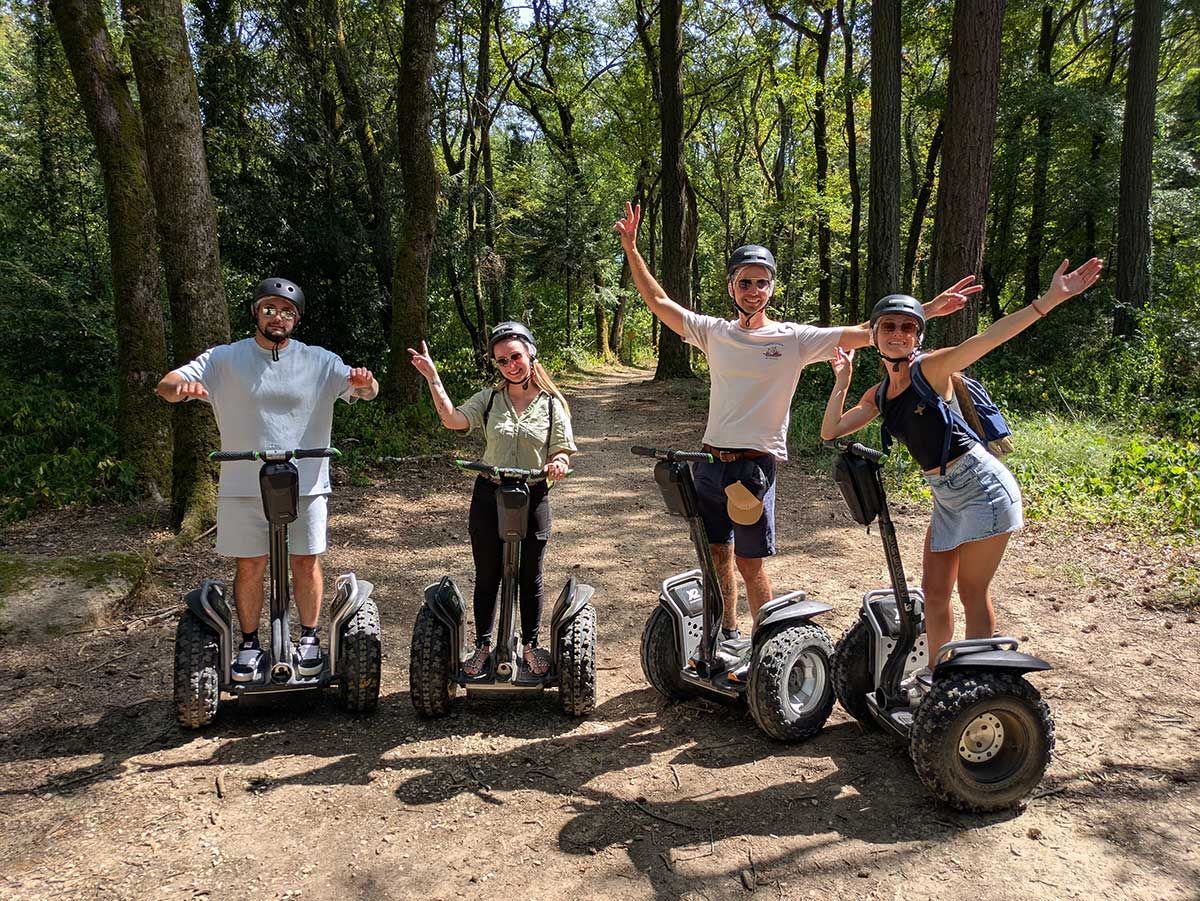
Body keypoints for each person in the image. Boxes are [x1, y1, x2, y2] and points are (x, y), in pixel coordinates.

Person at [614, 201, 974, 670]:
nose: (753, 290)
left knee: (751, 563)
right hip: (708, 462)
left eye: (761, 282)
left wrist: (923, 310)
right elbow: (659, 303)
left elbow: (868, 333)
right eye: (745, 281)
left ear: (771, 288)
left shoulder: (793, 338)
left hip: (752, 465)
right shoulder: (713, 332)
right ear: (732, 287)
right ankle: (725, 633)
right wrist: (632, 248)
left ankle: (767, 648)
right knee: (715, 555)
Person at [820, 257, 1103, 679]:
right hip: (946, 497)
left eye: (908, 327)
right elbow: (832, 431)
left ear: (918, 335)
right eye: (889, 326)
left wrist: (1050, 299)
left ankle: (974, 681)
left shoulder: (929, 370)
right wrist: (842, 382)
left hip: (983, 489)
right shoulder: (878, 394)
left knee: (972, 591)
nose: (898, 333)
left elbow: (989, 337)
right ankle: (940, 680)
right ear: (874, 334)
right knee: (934, 594)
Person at [156, 277, 379, 681]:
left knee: (306, 561)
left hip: (307, 482)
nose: (279, 317)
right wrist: (180, 388)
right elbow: (167, 386)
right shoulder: (224, 359)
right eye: (270, 309)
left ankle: (309, 638)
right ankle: (249, 644)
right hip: (243, 483)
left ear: (297, 319)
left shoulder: (319, 360)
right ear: (257, 312)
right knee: (251, 564)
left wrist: (365, 385)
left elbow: (366, 389)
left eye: (288, 312)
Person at [408, 322, 577, 676]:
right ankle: (483, 646)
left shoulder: (551, 404)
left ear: (530, 353)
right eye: (502, 361)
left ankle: (530, 645)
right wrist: (432, 378)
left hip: (533, 493)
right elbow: (453, 419)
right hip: (490, 493)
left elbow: (562, 450)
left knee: (530, 574)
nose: (511, 365)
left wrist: (558, 463)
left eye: (516, 356)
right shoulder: (488, 399)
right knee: (488, 574)